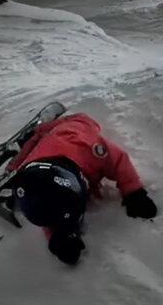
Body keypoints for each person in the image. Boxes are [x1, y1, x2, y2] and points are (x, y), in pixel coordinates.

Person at [9, 112, 156, 265]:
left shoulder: (90, 147)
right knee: (39, 144)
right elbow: (48, 210)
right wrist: (58, 236)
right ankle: (38, 135)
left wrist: (134, 192)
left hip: (76, 125)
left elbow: (118, 159)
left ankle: (40, 132)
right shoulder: (35, 183)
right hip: (48, 153)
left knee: (51, 133)